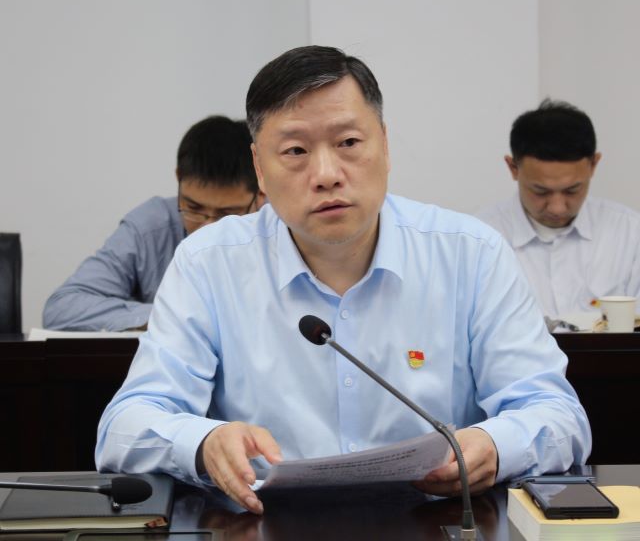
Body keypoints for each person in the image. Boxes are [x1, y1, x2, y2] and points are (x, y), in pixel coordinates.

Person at [96, 46, 591, 515]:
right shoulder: (208, 263)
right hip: (262, 525)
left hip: (435, 523)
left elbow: (558, 414)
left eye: (349, 143)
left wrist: (494, 446)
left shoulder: (470, 253)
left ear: (385, 145)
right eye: (295, 150)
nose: (327, 174)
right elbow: (124, 427)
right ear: (259, 169)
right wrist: (203, 443)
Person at [43, 115, 264, 332]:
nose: (207, 228)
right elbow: (62, 308)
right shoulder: (150, 227)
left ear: (262, 192)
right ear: (178, 177)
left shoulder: (280, 230)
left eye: (227, 214)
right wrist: (171, 316)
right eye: (194, 208)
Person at [477, 99, 640, 318]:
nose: (557, 208)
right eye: (540, 191)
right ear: (513, 168)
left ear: (594, 164)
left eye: (572, 190)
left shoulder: (631, 234)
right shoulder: (480, 241)